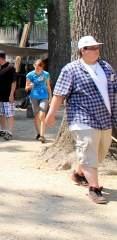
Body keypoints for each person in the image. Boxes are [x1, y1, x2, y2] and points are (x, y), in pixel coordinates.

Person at [46, 36, 117, 204]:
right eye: (92, 48)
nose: (97, 51)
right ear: (82, 50)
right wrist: (51, 113)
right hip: (82, 116)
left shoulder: (106, 67)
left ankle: (79, 173)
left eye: (97, 47)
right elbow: (59, 93)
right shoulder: (71, 69)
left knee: (100, 150)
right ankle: (94, 188)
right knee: (88, 147)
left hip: (104, 117)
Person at [25, 59, 53, 143]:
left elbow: (48, 86)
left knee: (42, 115)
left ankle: (42, 135)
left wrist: (51, 97)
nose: (37, 69)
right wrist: (30, 86)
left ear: (42, 68)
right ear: (34, 66)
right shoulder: (30, 75)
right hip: (34, 97)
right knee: (36, 115)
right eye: (36, 67)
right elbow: (26, 88)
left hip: (44, 96)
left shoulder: (46, 74)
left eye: (39, 68)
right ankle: (38, 133)